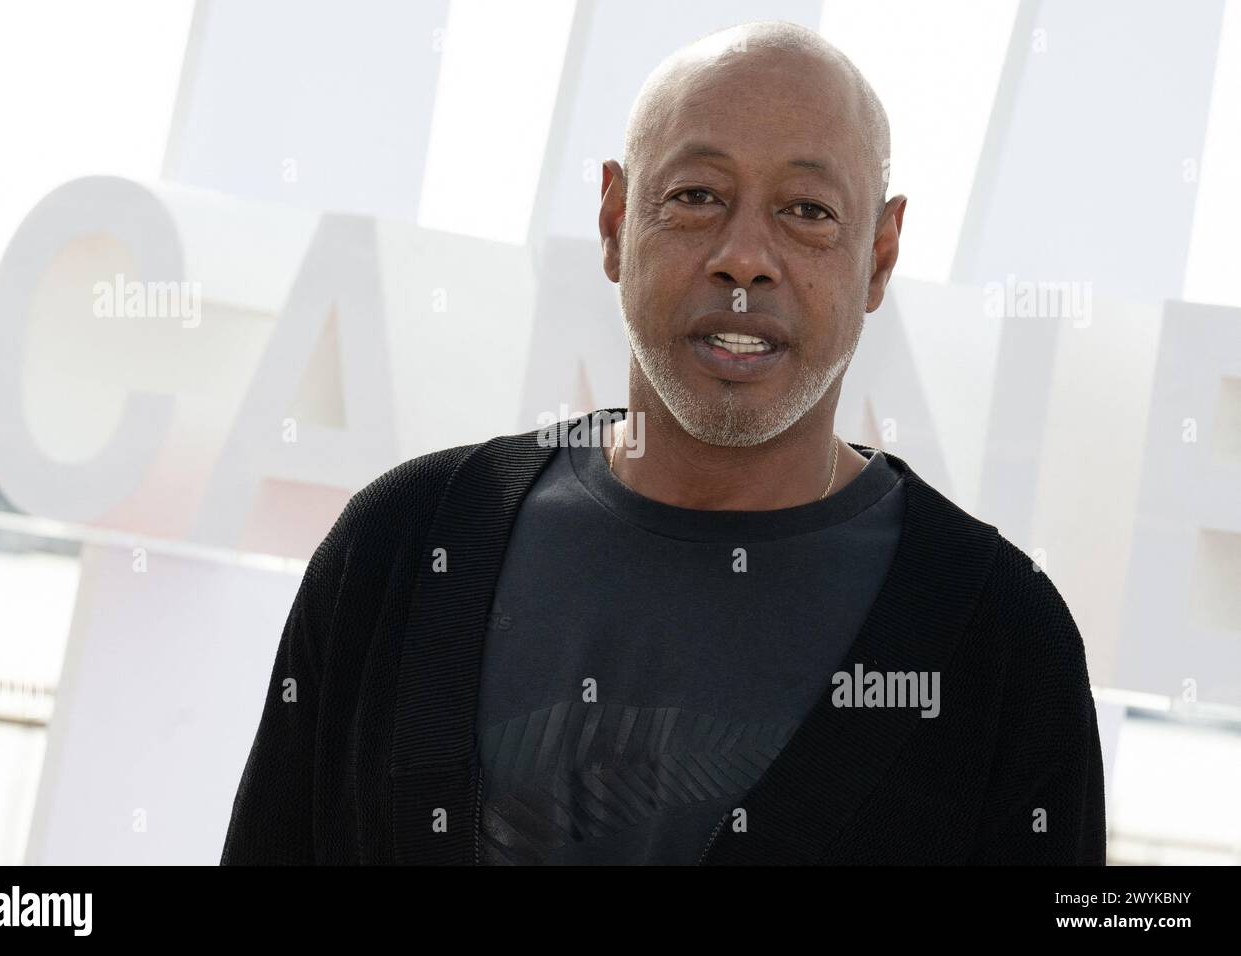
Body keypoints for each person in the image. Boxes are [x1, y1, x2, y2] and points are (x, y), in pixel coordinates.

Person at [221, 20, 1105, 866]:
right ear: (614, 221)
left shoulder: (1003, 643)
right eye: (696, 197)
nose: (744, 257)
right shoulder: (405, 548)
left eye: (807, 209)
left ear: (878, 256)